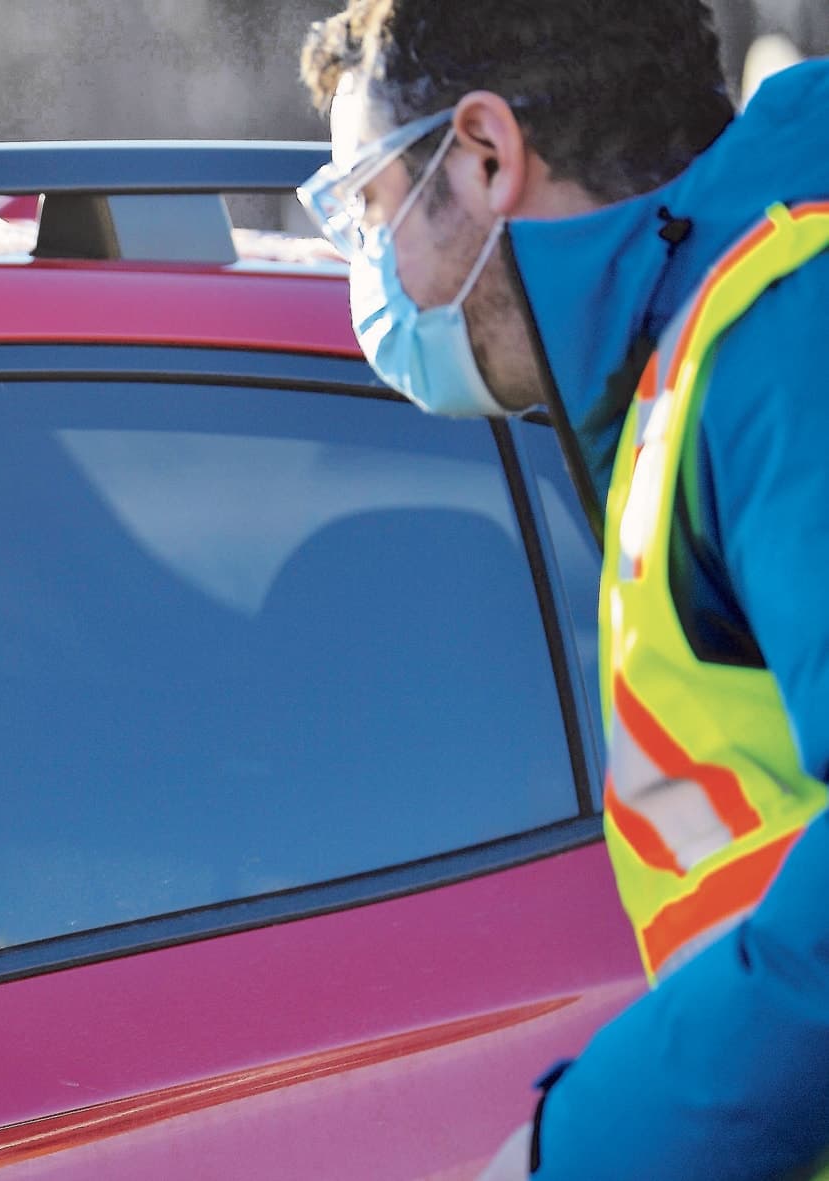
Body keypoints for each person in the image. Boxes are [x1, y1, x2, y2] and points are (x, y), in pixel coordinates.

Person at [296, 1, 829, 1175]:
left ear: (486, 156)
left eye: (368, 208)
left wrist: (578, 1143)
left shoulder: (785, 337)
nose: (371, 276)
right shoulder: (692, 355)